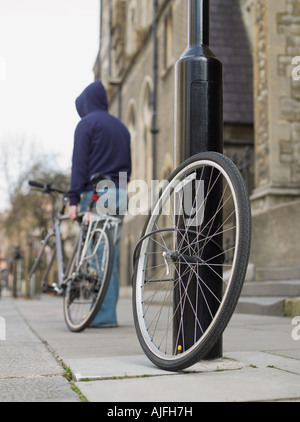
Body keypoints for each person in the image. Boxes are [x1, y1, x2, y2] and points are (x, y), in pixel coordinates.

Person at [67, 80, 131, 327]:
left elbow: (79, 165)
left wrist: (73, 199)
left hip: (96, 194)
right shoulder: (122, 128)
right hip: (120, 193)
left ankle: (103, 316)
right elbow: (128, 165)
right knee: (110, 255)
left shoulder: (86, 124)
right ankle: (106, 313)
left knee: (98, 256)